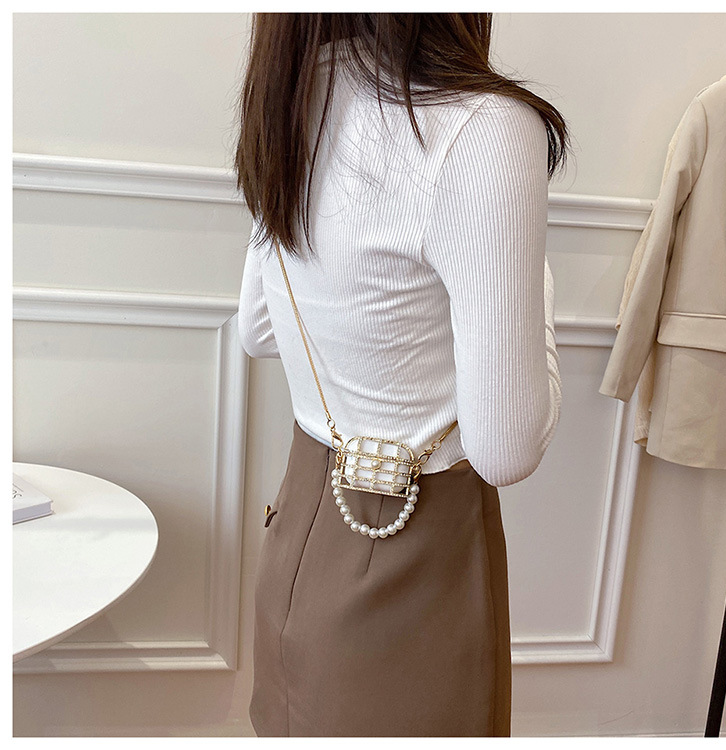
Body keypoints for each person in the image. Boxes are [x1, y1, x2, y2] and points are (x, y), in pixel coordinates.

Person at [234, 13, 569, 737]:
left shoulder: (290, 98)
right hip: (416, 564)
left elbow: (256, 330)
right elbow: (506, 449)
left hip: (297, 533)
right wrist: (537, 288)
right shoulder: (482, 129)